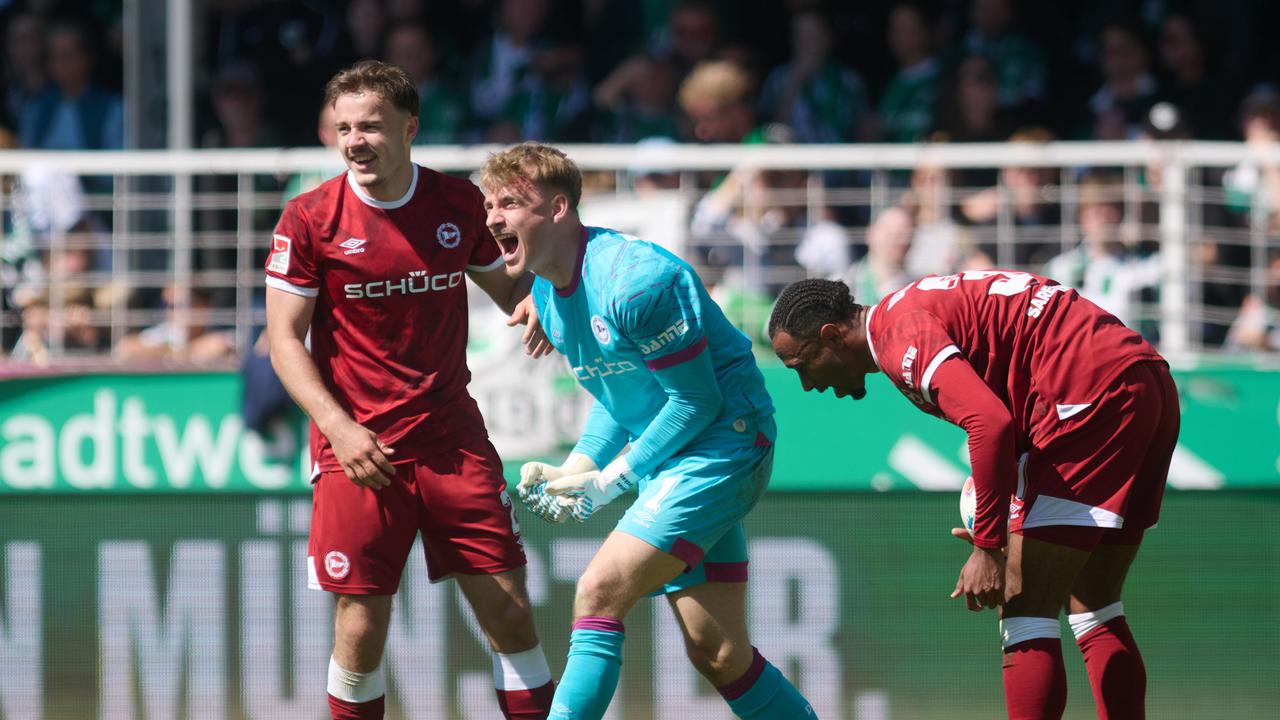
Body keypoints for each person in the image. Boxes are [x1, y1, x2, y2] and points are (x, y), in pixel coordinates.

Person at [478, 142, 815, 720]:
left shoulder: (637, 283)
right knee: (720, 652)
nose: (491, 217)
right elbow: (621, 395)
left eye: (509, 202)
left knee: (599, 591)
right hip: (688, 452)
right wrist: (581, 463)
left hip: (724, 444)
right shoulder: (547, 292)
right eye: (489, 205)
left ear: (559, 209)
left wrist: (613, 480)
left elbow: (696, 401)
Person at [263, 60, 554, 720]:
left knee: (510, 616)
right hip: (357, 450)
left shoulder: (456, 205)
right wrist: (338, 429)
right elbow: (283, 339)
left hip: (452, 442)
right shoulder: (309, 218)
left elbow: (513, 284)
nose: (356, 140)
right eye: (343, 128)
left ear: (410, 127)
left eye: (371, 125)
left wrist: (544, 296)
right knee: (361, 631)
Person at [768, 273, 1178, 719]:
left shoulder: (898, 335)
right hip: (1144, 379)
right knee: (1094, 604)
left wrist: (987, 545)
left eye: (802, 365)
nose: (808, 384)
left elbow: (990, 423)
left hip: (1083, 394)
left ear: (832, 336)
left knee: (1025, 610)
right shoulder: (911, 308)